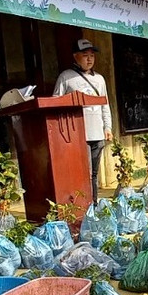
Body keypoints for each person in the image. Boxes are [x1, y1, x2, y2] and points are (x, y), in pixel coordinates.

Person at [53, 39, 113, 202]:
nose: (89, 59)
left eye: (92, 55)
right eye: (85, 55)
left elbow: (105, 104)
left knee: (93, 173)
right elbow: (55, 103)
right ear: (75, 56)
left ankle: (93, 204)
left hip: (97, 133)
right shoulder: (66, 77)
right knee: (81, 172)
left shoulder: (100, 79)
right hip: (77, 135)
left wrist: (108, 127)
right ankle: (81, 205)